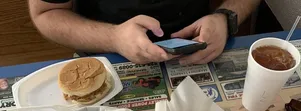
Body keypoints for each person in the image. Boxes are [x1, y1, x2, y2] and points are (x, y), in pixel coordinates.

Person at [29, 0, 261, 65]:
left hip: (200, 51)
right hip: (106, 57)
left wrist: (225, 17)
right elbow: (46, 13)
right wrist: (114, 38)